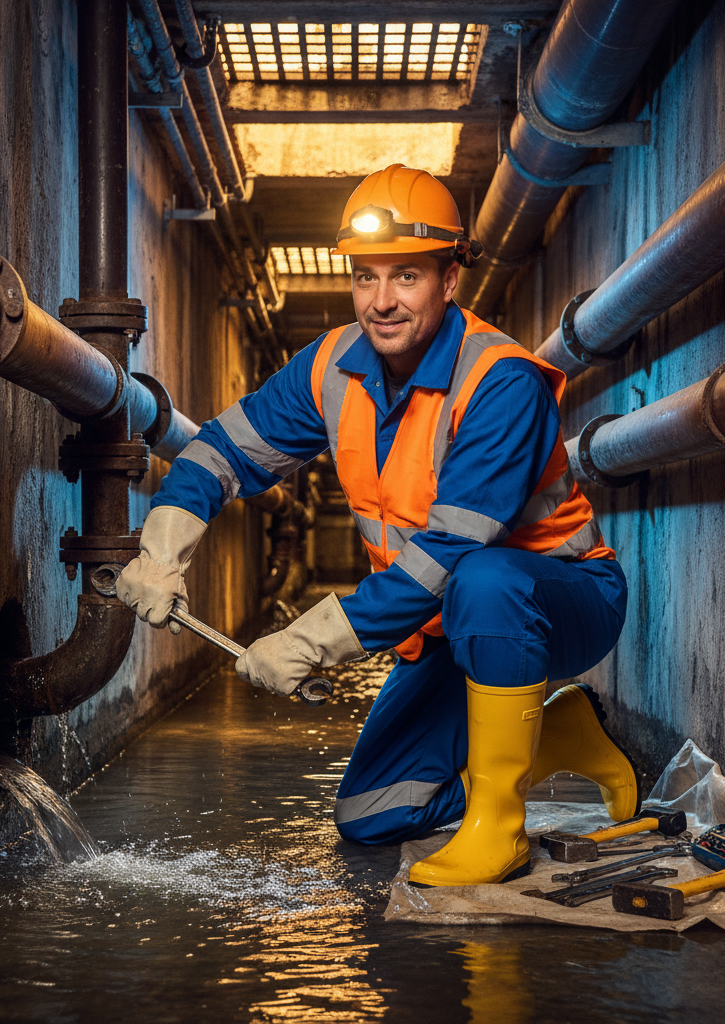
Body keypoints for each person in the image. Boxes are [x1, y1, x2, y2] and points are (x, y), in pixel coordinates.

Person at [117, 164, 638, 887]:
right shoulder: (332, 366)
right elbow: (219, 449)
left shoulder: (501, 381)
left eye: (407, 277)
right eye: (366, 277)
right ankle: (553, 739)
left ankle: (498, 824)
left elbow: (448, 559)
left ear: (450, 280)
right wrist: (162, 548)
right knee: (372, 813)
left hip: (562, 603)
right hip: (442, 631)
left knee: (484, 578)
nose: (382, 301)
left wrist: (310, 641)